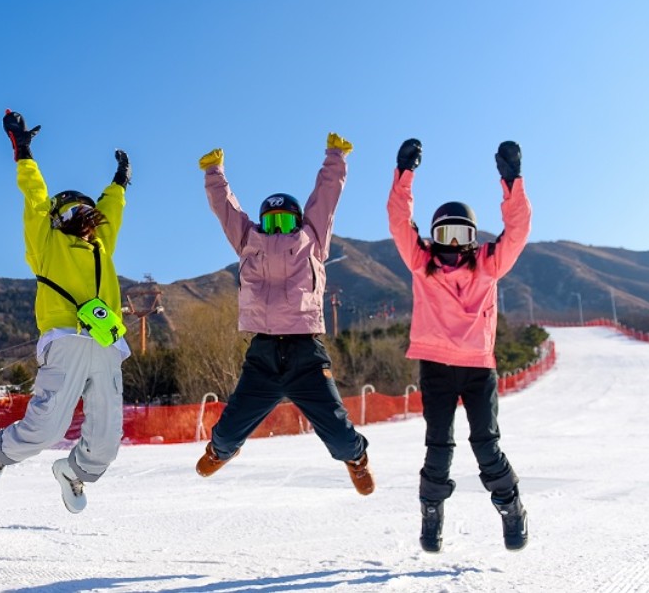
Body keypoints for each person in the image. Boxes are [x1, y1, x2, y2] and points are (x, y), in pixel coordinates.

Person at [194, 136, 374, 496]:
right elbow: (225, 208)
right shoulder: (248, 240)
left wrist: (336, 156)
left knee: (341, 436)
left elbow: (326, 197)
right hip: (262, 356)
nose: (277, 228)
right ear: (262, 223)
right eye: (271, 222)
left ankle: (356, 458)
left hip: (306, 354)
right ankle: (221, 450)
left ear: (298, 221)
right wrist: (214, 172)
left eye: (285, 221)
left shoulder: (312, 239)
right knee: (225, 434)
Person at [0, 109, 131, 514]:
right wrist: (23, 151)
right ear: (55, 220)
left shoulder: (102, 247)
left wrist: (119, 182)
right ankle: (2, 452)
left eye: (85, 213)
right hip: (65, 338)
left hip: (106, 342)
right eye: (68, 213)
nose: (79, 219)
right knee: (47, 426)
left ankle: (74, 472)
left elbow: (112, 211)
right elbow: (35, 199)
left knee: (107, 438)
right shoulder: (47, 247)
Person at [387, 138, 532, 552]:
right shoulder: (422, 263)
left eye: (460, 235)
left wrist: (512, 180)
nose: (452, 245)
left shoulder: (488, 264)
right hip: (435, 365)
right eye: (444, 235)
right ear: (433, 237)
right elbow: (399, 221)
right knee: (438, 446)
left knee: (486, 444)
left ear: (472, 238)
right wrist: (404, 174)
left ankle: (510, 506)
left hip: (477, 367)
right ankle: (432, 513)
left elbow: (518, 231)